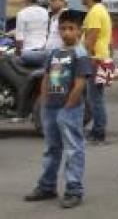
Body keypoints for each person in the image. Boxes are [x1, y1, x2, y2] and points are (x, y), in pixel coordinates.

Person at [23, 11, 91, 209]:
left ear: (79, 31)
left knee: (73, 149)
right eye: (63, 28)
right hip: (50, 107)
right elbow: (45, 77)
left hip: (69, 108)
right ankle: (47, 186)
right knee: (51, 148)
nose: (66, 32)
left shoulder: (80, 54)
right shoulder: (53, 53)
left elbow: (80, 84)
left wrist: (69, 105)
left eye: (71, 28)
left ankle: (74, 189)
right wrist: (44, 102)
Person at [81, 0, 112, 145]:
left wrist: (83, 58)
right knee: (97, 97)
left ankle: (99, 133)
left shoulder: (94, 12)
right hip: (103, 58)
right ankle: (97, 130)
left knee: (95, 98)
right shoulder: (102, 10)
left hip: (95, 60)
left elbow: (90, 40)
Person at [15, 0, 50, 66]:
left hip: (28, 54)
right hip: (43, 53)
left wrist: (17, 53)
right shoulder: (45, 12)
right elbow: (47, 33)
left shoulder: (22, 13)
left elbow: (19, 39)